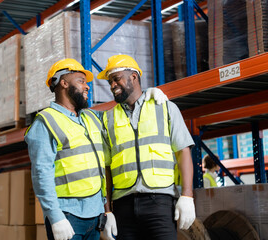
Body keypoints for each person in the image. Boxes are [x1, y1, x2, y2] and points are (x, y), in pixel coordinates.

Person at [25, 58, 168, 240]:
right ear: (64, 83)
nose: (87, 87)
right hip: (67, 216)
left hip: (95, 216)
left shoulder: (91, 117)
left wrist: (146, 93)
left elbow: (125, 106)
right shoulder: (45, 121)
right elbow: (41, 174)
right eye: (81, 81)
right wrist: (55, 217)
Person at [98, 54, 196, 240]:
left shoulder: (165, 107)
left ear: (133, 77)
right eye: (110, 81)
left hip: (159, 202)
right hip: (123, 206)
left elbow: (183, 151)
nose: (112, 85)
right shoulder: (107, 118)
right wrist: (107, 210)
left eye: (116, 79)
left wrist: (187, 195)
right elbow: (106, 168)